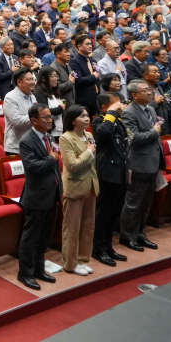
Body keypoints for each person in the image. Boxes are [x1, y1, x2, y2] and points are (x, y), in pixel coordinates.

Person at [16, 104, 62, 290]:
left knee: (44, 238)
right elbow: (33, 167)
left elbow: (55, 168)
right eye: (46, 117)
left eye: (50, 117)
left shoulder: (49, 137)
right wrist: (51, 158)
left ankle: (39, 269)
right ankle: (25, 273)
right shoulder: (26, 141)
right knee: (31, 238)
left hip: (52, 195)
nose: (50, 120)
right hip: (36, 197)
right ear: (34, 120)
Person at [118, 80, 165, 253]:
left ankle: (140, 233)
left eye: (150, 89)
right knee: (133, 203)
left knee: (146, 203)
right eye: (145, 90)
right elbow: (134, 138)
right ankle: (127, 236)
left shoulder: (151, 109)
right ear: (134, 95)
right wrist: (154, 132)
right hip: (138, 163)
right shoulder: (129, 113)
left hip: (153, 162)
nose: (150, 92)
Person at [58, 105, 98, 276]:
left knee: (88, 226)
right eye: (82, 116)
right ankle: (70, 263)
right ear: (73, 119)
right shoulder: (65, 138)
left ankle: (83, 260)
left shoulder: (89, 135)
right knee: (72, 227)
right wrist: (89, 152)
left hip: (90, 185)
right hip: (74, 186)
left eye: (87, 115)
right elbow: (72, 164)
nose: (87, 118)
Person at [91, 92, 129, 266]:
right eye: (116, 105)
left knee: (115, 212)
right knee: (104, 213)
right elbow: (103, 134)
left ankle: (108, 246)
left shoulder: (117, 121)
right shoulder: (99, 121)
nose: (120, 107)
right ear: (105, 107)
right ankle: (98, 249)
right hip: (108, 172)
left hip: (121, 171)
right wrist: (111, 114)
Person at [3, 68, 37, 155]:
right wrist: (37, 118)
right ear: (19, 82)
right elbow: (17, 121)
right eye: (29, 79)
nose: (33, 82)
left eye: (33, 79)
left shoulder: (32, 96)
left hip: (32, 144)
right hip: (16, 146)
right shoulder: (10, 97)